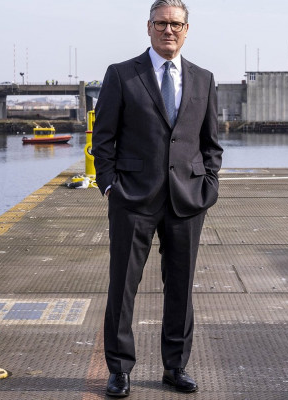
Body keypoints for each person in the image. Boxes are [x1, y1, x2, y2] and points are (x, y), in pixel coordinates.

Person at [92, 0, 222, 396]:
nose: (169, 30)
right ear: (148, 27)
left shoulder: (204, 79)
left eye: (176, 24)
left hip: (187, 199)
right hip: (132, 197)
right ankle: (119, 369)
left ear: (187, 30)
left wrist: (209, 185)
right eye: (162, 23)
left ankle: (175, 366)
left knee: (181, 287)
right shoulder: (121, 74)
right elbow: (103, 138)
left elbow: (211, 143)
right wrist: (109, 184)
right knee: (123, 286)